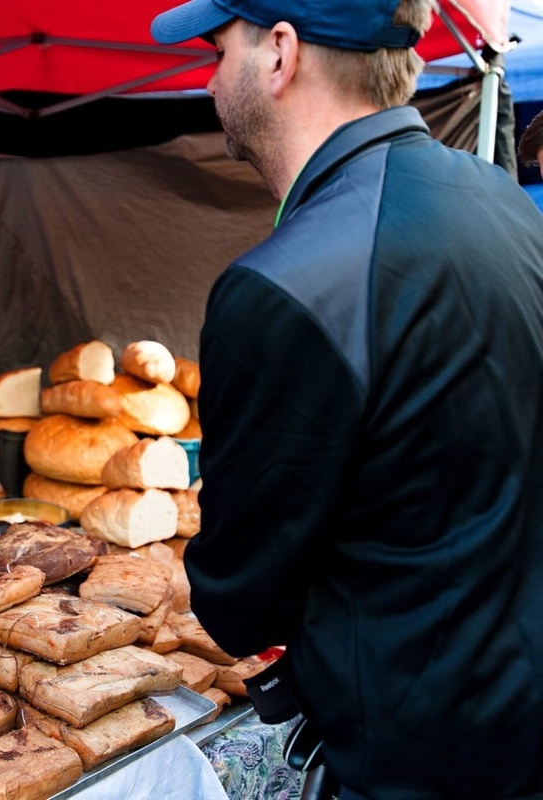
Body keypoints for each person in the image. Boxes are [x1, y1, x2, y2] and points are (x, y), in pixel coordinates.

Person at [151, 2, 543, 798]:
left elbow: (238, 604)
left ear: (280, 53)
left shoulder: (283, 286)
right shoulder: (500, 199)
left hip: (412, 759)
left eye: (218, 51)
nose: (210, 80)